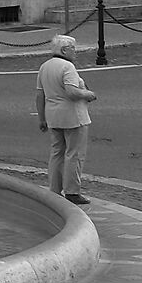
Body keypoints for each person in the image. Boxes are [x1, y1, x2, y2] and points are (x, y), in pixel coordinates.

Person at [35, 34, 96, 203]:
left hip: (53, 115)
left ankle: (54, 189)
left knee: (57, 153)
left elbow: (40, 95)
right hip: (73, 115)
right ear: (64, 50)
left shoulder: (44, 67)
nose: (75, 52)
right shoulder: (67, 67)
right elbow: (72, 92)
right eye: (73, 48)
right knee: (74, 154)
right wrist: (88, 94)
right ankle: (72, 191)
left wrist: (41, 117)